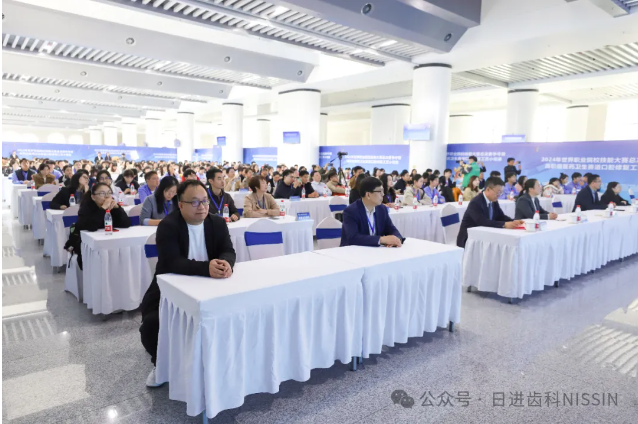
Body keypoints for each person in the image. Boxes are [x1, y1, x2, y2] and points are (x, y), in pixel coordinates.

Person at [139, 180, 236, 386]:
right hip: (171, 288)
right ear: (181, 204)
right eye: (194, 202)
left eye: (204, 201)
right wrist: (206, 268)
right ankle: (160, 364)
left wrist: (226, 263)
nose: (202, 207)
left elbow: (228, 250)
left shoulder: (217, 223)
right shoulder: (168, 226)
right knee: (152, 323)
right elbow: (171, 262)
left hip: (210, 286)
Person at [457, 177, 524, 248]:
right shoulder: (476, 202)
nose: (499, 195)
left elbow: (500, 216)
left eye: (501, 192)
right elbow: (483, 222)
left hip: (484, 236)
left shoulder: (493, 201)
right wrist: (504, 224)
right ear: (488, 189)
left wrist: (513, 221)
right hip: (469, 240)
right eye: (498, 192)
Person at [341, 177, 403, 247]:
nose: (383, 194)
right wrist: (381, 240)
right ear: (368, 195)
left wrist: (397, 239)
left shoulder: (382, 209)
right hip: (353, 251)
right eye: (380, 191)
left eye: (383, 191)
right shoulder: (351, 211)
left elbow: (391, 229)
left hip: (375, 251)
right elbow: (353, 238)